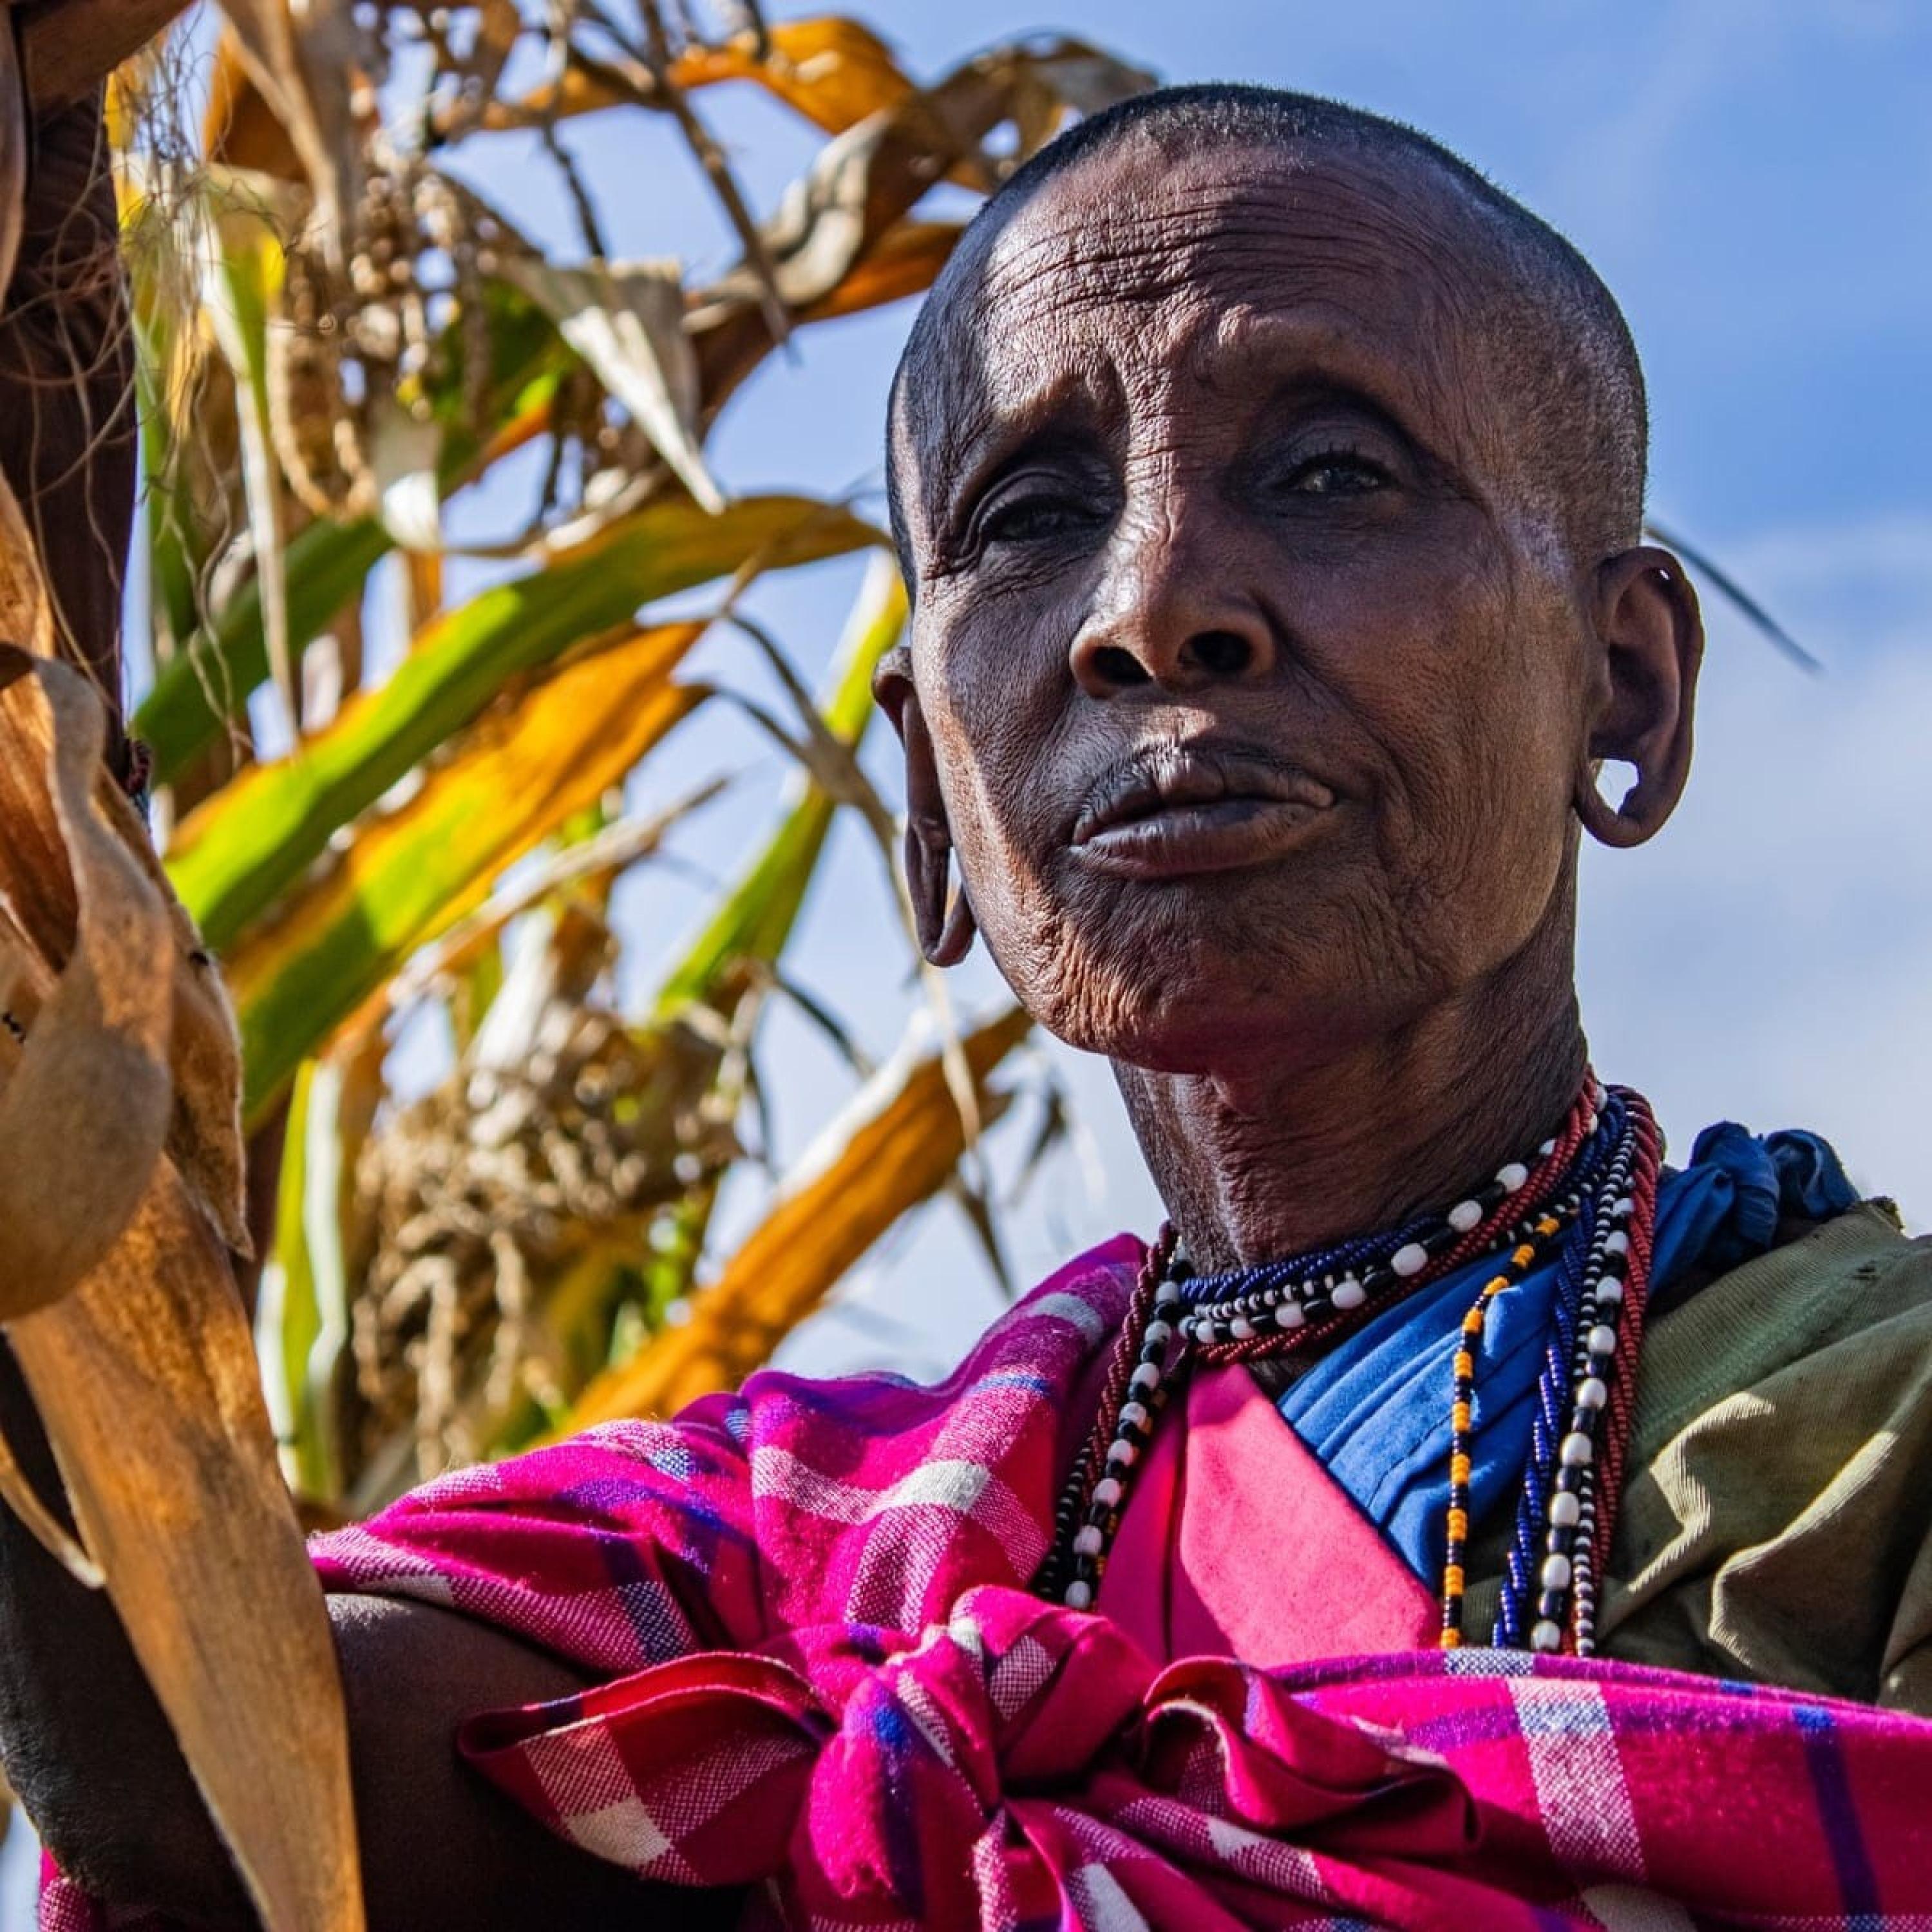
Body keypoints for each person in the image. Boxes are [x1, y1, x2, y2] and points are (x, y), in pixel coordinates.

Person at [8, 82, 1932, 1932]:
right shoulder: (801, 1559)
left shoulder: (1869, 1425)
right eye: (1030, 514)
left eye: (1335, 470)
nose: (1157, 603)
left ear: (1629, 689)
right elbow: (214, 1776)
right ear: (932, 805)